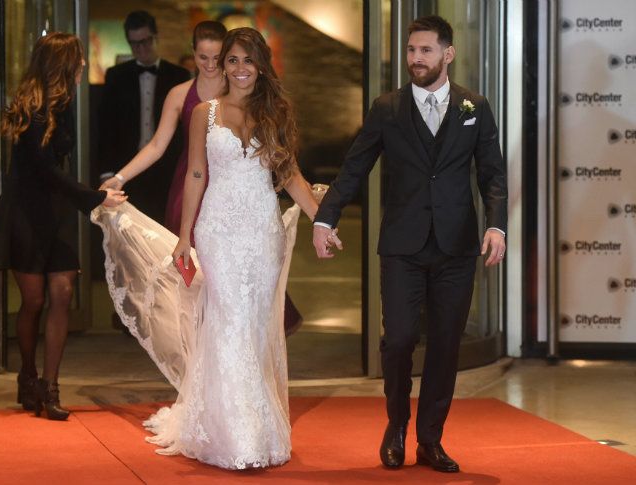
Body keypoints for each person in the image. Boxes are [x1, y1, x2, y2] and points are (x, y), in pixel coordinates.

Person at [92, 27, 320, 470]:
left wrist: (321, 219)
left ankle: (256, 425)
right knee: (228, 322)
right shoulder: (205, 114)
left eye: (246, 60)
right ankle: (236, 436)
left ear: (261, 65)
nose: (238, 69)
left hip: (262, 232)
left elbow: (290, 174)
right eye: (231, 60)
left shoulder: (275, 112)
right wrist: (184, 234)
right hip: (218, 231)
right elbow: (196, 174)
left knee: (254, 327)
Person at [313, 16, 507, 473]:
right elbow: (355, 166)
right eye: (410, 50)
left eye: (425, 50)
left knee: (444, 344)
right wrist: (326, 217)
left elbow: (492, 174)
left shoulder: (474, 107)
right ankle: (396, 425)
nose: (415, 59)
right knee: (399, 340)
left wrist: (496, 226)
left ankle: (431, 440)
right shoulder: (387, 108)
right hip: (401, 244)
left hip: (457, 247)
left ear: (447, 54)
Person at [101, 20, 304, 337]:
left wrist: (323, 216)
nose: (210, 65)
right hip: (193, 191)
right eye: (202, 58)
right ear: (194, 55)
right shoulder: (182, 95)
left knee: (246, 288)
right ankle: (196, 343)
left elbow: (287, 168)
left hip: (247, 198)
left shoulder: (260, 102)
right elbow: (157, 145)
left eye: (215, 57)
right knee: (191, 278)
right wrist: (121, 176)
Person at [0, 33, 127, 421]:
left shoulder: (65, 103)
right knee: (35, 301)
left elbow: (55, 172)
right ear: (61, 65)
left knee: (62, 291)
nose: (81, 67)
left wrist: (88, 193)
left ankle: (51, 385)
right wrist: (93, 197)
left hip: (54, 211)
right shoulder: (31, 108)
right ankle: (27, 374)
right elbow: (43, 169)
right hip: (24, 213)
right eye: (76, 62)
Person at [98, 10, 190, 223]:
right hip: (127, 168)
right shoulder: (116, 75)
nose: (141, 48)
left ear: (156, 37)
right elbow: (106, 128)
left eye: (146, 41)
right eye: (134, 43)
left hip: (167, 170)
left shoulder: (179, 75)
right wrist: (106, 173)